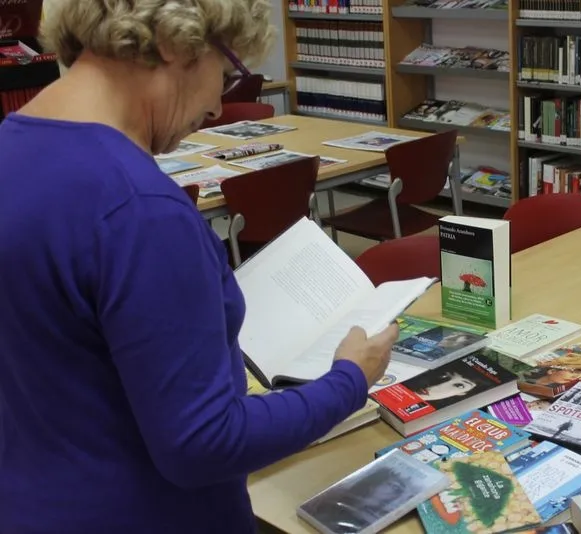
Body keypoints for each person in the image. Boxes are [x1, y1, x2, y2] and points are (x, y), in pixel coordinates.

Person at [0, 1, 398, 533]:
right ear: (173, 43)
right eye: (226, 69)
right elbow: (205, 444)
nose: (216, 104)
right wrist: (350, 377)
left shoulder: (13, 146)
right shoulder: (139, 207)